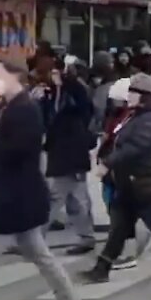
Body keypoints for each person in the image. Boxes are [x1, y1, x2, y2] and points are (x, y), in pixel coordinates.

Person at [0, 60, 86, 300]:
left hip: (11, 198)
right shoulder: (7, 108)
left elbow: (17, 150)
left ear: (16, 77)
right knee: (39, 253)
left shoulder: (25, 109)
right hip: (13, 195)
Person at [80, 73, 151, 284]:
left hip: (145, 181)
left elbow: (135, 147)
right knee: (118, 227)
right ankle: (102, 268)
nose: (128, 96)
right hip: (129, 182)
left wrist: (108, 162)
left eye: (133, 92)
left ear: (146, 96)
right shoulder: (136, 115)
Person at [40, 56, 97, 254]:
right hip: (61, 151)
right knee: (74, 199)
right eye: (52, 73)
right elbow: (47, 119)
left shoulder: (74, 91)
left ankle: (35, 240)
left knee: (56, 197)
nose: (54, 76)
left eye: (57, 72)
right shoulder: (51, 94)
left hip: (72, 152)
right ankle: (87, 237)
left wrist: (68, 79)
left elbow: (85, 109)